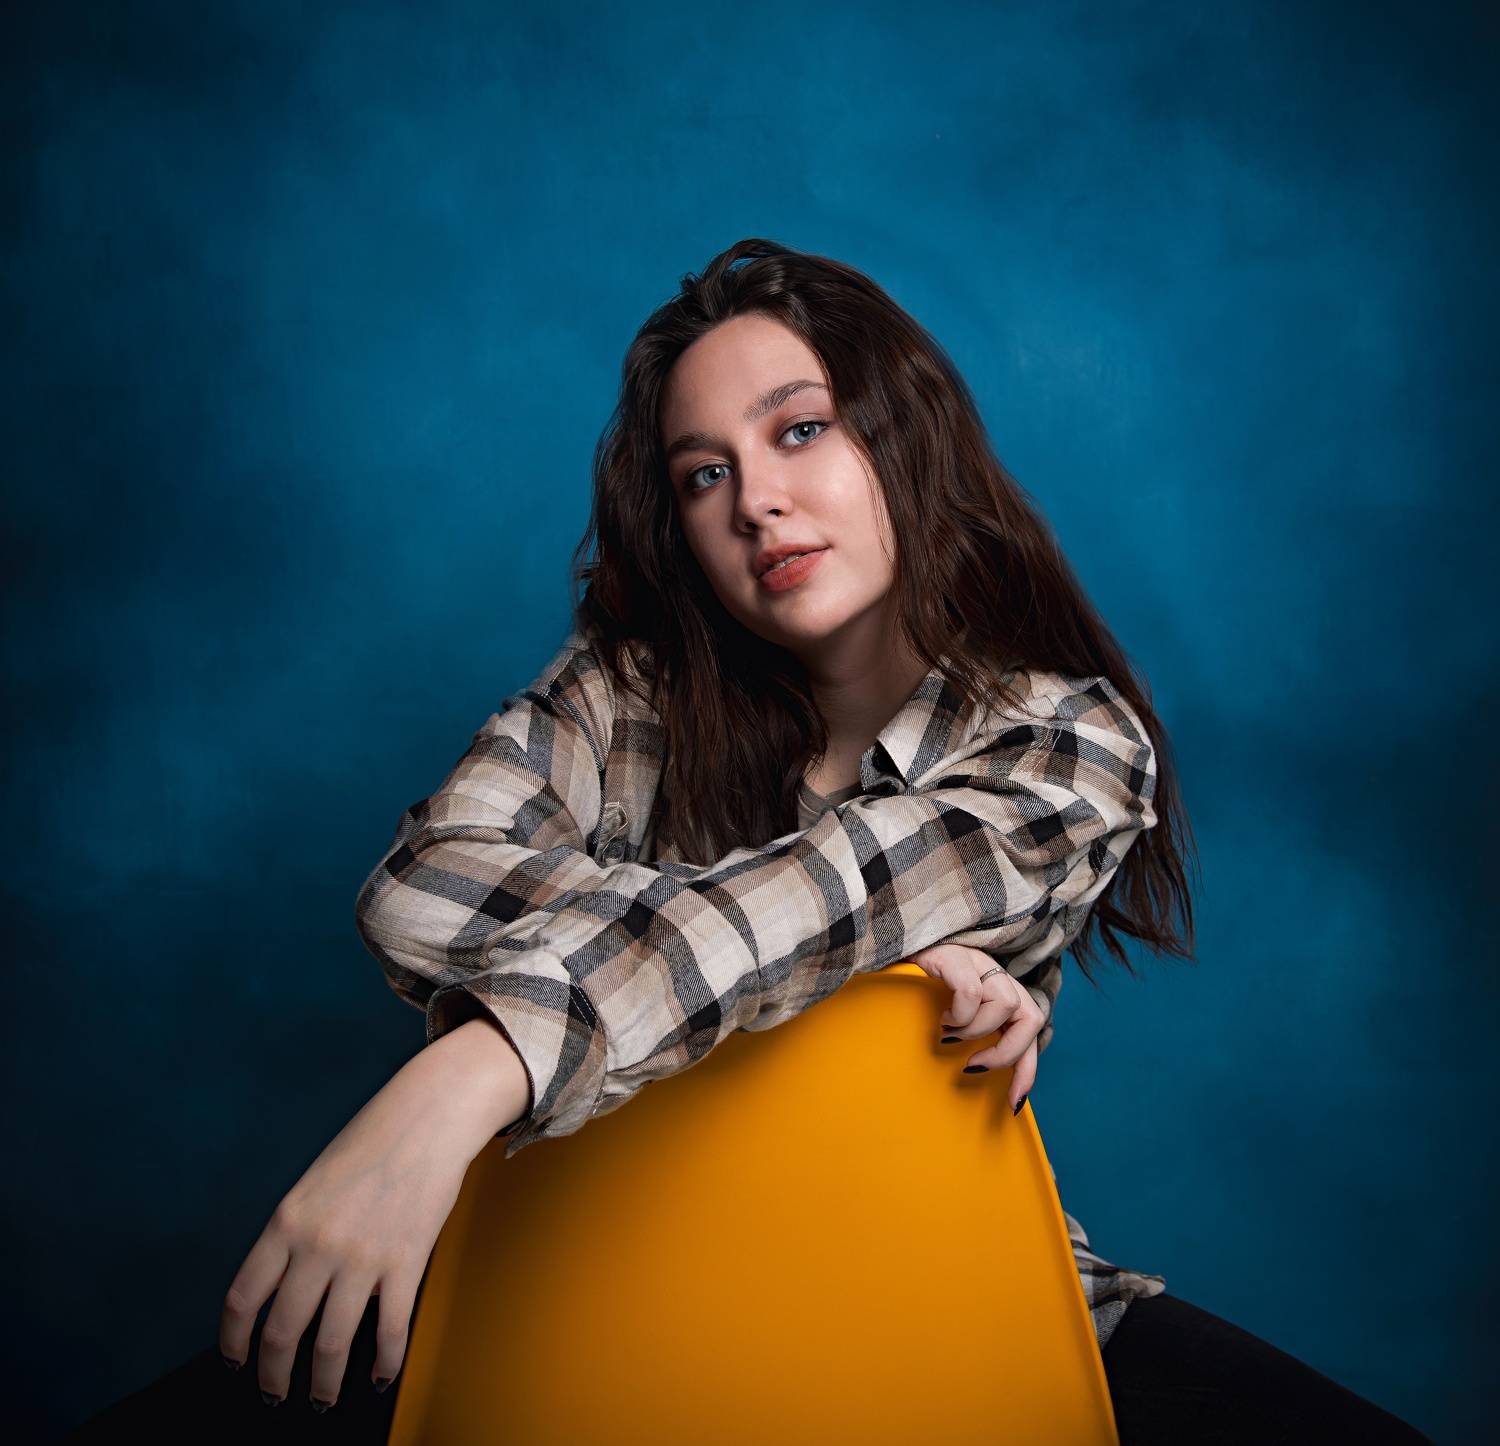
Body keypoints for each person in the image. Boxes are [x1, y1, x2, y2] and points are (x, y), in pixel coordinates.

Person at [66, 238, 1433, 1443]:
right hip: (572, 1268)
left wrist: (473, 1070)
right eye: (704, 473)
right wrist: (869, 973)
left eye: (801, 430)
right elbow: (424, 886)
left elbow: (826, 895)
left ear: (906, 434)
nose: (755, 501)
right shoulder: (635, 685)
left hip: (951, 1291)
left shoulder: (1066, 743)